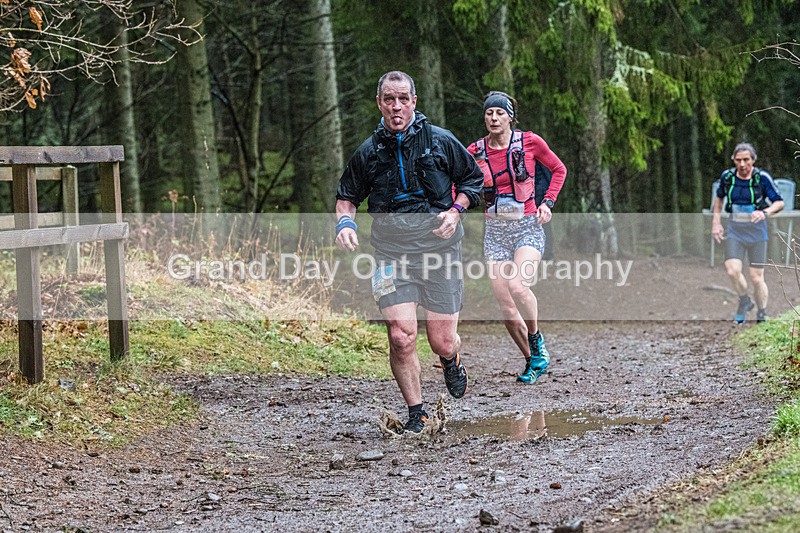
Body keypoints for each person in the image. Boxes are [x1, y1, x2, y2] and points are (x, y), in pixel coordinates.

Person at [334, 71, 484, 434]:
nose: (396, 106)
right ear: (379, 103)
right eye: (389, 99)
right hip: (390, 254)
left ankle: (451, 359)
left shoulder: (440, 141)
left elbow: (473, 181)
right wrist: (345, 224)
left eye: (403, 98)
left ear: (414, 101)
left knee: (441, 340)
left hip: (440, 251)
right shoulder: (368, 152)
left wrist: (456, 210)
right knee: (401, 335)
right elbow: (346, 198)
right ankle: (418, 413)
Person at [467, 91, 567, 383]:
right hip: (495, 232)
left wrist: (547, 202)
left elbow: (559, 169)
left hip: (527, 226)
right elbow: (458, 181)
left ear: (510, 117)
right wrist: (452, 209)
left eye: (500, 113)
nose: (494, 118)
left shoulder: (530, 142)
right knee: (505, 303)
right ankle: (532, 360)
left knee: (518, 286)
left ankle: (536, 340)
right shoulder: (474, 151)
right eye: (489, 113)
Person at [712, 143, 784, 323]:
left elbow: (779, 202)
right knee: (732, 271)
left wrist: (764, 212)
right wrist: (716, 223)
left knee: (756, 278)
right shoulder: (727, 177)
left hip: (757, 233)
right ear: (733, 161)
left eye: (746, 160)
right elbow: (719, 198)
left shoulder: (762, 178)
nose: (742, 164)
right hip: (735, 230)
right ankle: (744, 300)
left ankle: (762, 313)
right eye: (738, 160)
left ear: (753, 160)